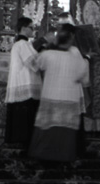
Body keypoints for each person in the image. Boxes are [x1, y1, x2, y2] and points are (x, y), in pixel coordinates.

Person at [28, 24, 89, 162]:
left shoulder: (47, 54)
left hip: (51, 95)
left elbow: (33, 64)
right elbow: (84, 80)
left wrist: (44, 44)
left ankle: (44, 157)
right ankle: (64, 158)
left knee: (47, 128)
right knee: (65, 132)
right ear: (71, 39)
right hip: (70, 97)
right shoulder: (77, 57)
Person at [5, 17, 42, 147]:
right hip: (25, 86)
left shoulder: (22, 44)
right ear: (24, 28)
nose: (33, 30)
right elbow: (34, 64)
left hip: (23, 85)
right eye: (31, 27)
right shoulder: (22, 44)